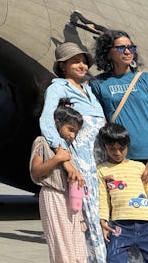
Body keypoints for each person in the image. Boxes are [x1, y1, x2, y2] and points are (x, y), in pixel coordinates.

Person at [39, 42, 106, 262]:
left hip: (99, 165)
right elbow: (47, 121)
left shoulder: (88, 89)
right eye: (75, 61)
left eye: (84, 61)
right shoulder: (58, 88)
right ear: (63, 65)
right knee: (87, 222)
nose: (82, 65)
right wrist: (66, 161)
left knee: (101, 219)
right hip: (79, 164)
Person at [90, 30, 148, 207]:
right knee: (127, 212)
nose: (127, 51)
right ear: (108, 52)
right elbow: (99, 122)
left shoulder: (147, 79)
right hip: (120, 159)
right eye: (121, 48)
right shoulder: (98, 84)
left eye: (130, 47)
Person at [97, 122, 148, 263]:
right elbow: (104, 198)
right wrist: (103, 221)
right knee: (114, 258)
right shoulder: (102, 170)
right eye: (112, 149)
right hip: (119, 226)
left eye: (121, 148)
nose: (117, 153)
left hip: (147, 226)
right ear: (105, 146)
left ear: (128, 146)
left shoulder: (139, 167)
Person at [31, 100, 87, 263]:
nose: (72, 135)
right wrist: (57, 159)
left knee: (78, 247)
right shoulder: (42, 142)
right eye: (70, 129)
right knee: (61, 247)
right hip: (53, 196)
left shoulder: (70, 148)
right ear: (57, 123)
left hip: (72, 198)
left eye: (75, 132)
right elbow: (36, 172)